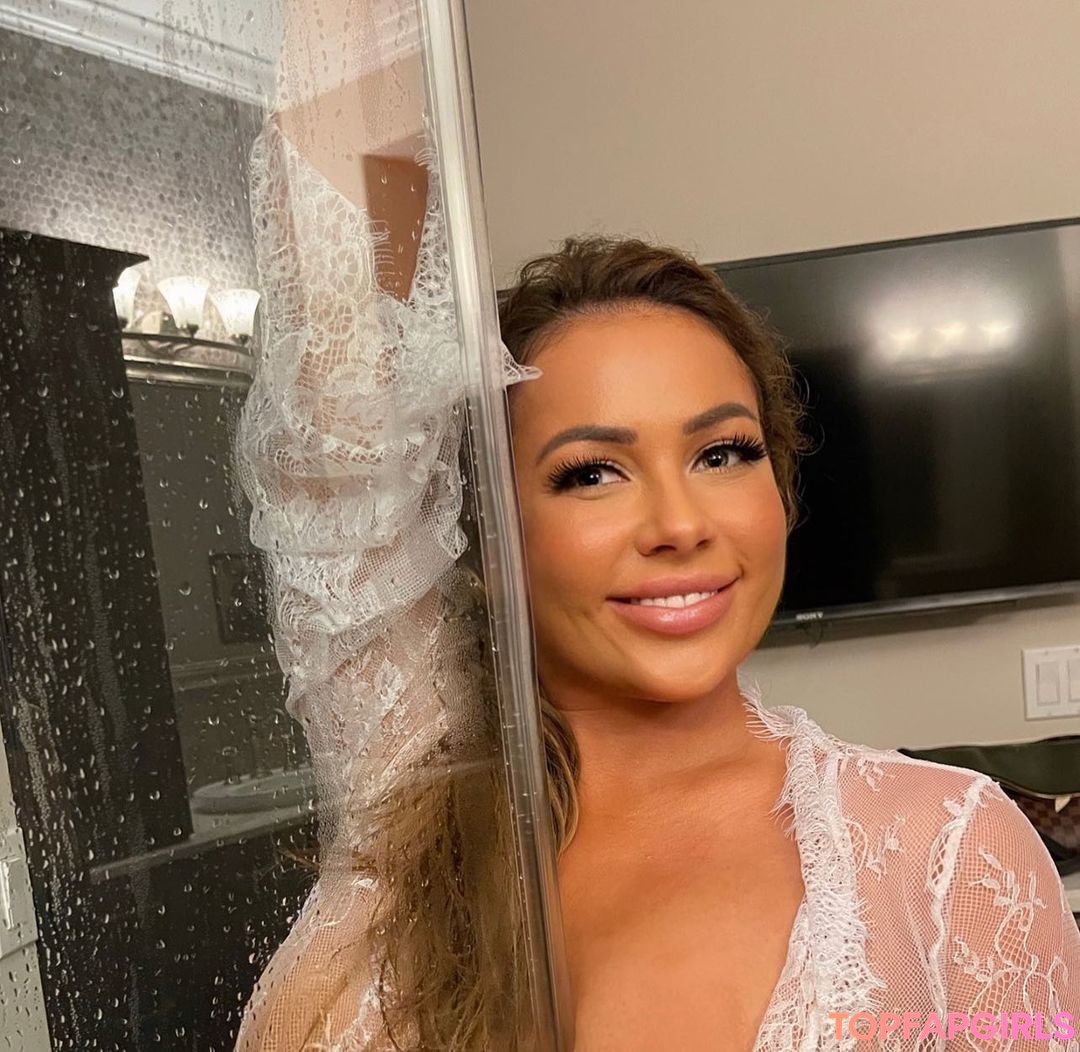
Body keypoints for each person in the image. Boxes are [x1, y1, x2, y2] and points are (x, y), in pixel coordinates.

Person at [233, 5, 1080, 1048]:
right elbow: (335, 292)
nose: (680, 522)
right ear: (493, 541)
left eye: (723, 453)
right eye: (592, 472)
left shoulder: (948, 855)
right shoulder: (416, 790)